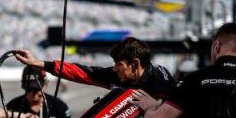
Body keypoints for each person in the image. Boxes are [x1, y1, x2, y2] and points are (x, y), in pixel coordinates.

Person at [12, 36, 176, 100]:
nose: (114, 69)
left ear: (135, 64)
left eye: (119, 65)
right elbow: (80, 72)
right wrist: (38, 63)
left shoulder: (160, 80)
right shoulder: (119, 76)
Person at [3, 66, 71, 118]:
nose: (33, 93)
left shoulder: (60, 107)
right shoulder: (12, 107)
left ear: (46, 84)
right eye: (29, 89)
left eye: (37, 89)